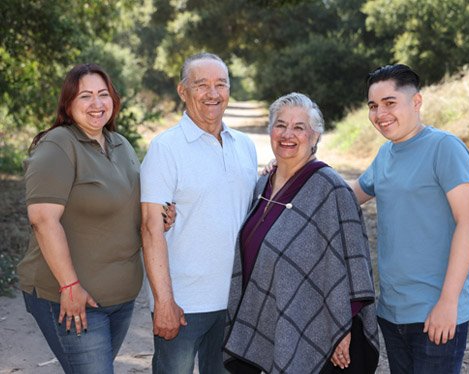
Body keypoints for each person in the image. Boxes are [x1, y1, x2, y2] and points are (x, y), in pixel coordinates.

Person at [16, 63, 174, 373]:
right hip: (72, 299)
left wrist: (161, 218)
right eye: (85, 96)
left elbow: (127, 205)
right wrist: (69, 286)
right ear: (69, 103)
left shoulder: (121, 144)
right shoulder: (58, 146)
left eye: (103, 94)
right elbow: (43, 220)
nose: (96, 104)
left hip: (120, 299)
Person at [223, 92, 379, 374]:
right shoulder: (263, 185)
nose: (287, 134)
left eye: (299, 127)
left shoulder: (330, 188)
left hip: (319, 328)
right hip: (267, 319)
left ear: (315, 136)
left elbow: (355, 263)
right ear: (271, 130)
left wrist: (343, 330)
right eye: (280, 125)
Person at [349, 64, 469, 373]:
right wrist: (294, 172)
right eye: (373, 106)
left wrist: (448, 303)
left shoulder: (444, 148)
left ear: (416, 102)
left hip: (436, 313)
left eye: (390, 103)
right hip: (393, 312)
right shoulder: (386, 154)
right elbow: (346, 194)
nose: (380, 113)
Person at [140, 52, 258, 374]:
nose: (213, 93)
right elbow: (151, 229)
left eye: (221, 84)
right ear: (183, 91)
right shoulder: (166, 149)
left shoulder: (245, 146)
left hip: (235, 300)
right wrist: (164, 302)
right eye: (201, 84)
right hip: (183, 303)